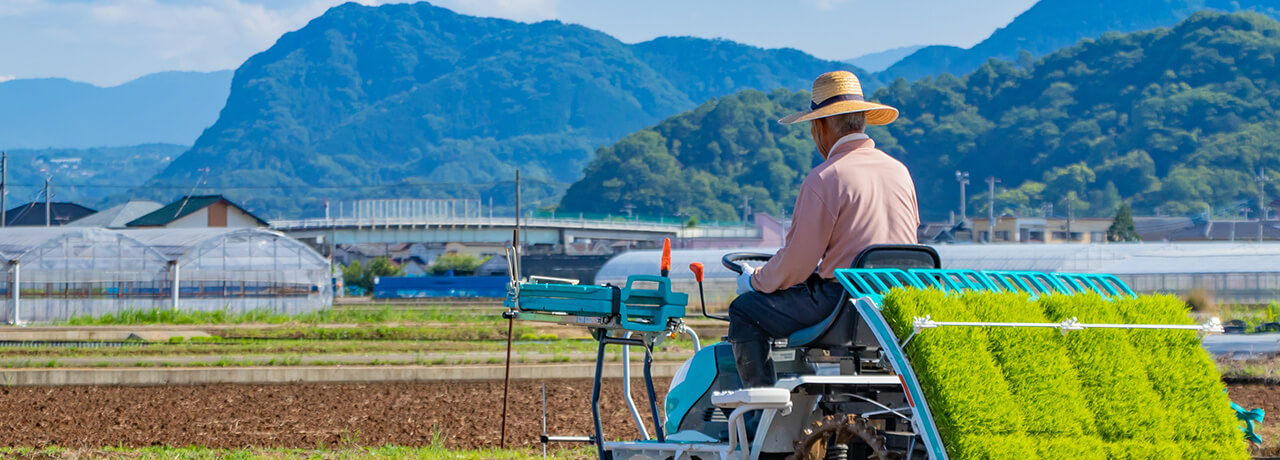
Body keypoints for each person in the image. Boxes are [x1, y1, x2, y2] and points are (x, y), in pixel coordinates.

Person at [729, 70, 920, 388]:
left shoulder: (825, 178)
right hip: (895, 300)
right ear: (863, 120)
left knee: (746, 311)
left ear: (819, 126)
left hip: (843, 302)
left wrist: (753, 280)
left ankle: (758, 415)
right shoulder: (900, 172)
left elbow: (797, 264)